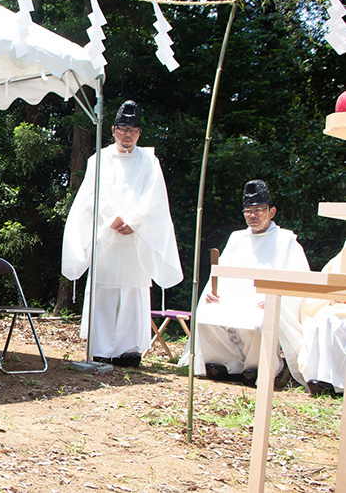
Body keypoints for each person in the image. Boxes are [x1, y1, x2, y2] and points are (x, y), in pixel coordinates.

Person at [61, 100, 183, 367]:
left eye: (133, 130)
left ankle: (129, 350)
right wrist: (112, 219)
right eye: (123, 129)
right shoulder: (99, 159)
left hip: (136, 239)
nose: (127, 134)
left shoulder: (150, 162)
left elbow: (156, 199)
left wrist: (136, 222)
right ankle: (101, 348)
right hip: (108, 237)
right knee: (103, 292)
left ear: (139, 133)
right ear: (114, 130)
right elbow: (90, 197)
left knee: (132, 292)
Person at [179, 181, 309, 386]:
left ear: (272, 211)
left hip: (265, 302)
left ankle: (257, 368)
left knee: (257, 322)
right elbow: (221, 275)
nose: (253, 216)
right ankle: (225, 364)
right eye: (248, 211)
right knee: (206, 316)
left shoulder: (286, 241)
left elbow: (300, 282)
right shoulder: (236, 238)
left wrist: (278, 299)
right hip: (234, 300)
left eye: (259, 210)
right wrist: (213, 293)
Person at [299, 252, 346, 397]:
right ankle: (324, 379)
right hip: (338, 306)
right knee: (325, 318)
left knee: (336, 323)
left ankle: (339, 384)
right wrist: (332, 296)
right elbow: (327, 280)